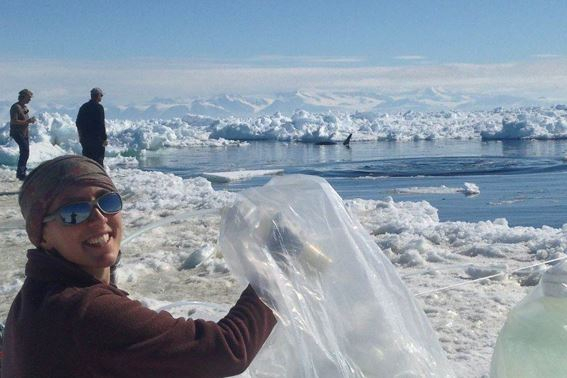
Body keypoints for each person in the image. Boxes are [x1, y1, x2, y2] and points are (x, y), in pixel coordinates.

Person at [1, 155, 276, 377]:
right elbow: (227, 350)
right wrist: (276, 268)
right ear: (42, 235)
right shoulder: (82, 310)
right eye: (74, 213)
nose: (99, 219)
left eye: (107, 202)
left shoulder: (35, 295)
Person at [76, 88, 108, 166]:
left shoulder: (84, 107)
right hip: (97, 140)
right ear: (97, 96)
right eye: (101, 95)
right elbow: (101, 124)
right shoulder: (99, 108)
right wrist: (104, 138)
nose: (101, 97)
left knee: (87, 161)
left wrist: (81, 136)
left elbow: (78, 123)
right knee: (98, 162)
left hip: (85, 140)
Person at [10, 89, 36, 180]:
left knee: (25, 152)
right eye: (29, 97)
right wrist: (27, 121)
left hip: (24, 133)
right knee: (24, 151)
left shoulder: (24, 107)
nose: (30, 100)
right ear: (23, 97)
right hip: (17, 132)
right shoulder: (16, 107)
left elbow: (25, 120)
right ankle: (21, 173)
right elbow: (14, 121)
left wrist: (29, 121)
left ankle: (22, 172)